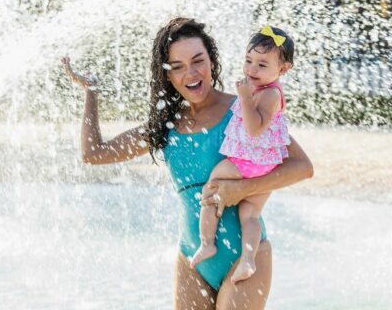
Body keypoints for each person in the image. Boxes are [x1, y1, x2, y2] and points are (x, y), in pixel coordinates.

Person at [62, 17, 313, 310]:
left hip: (246, 257)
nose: (190, 74)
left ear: (212, 61)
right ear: (167, 74)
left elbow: (302, 167)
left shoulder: (243, 109)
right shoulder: (163, 126)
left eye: (198, 61)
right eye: (177, 67)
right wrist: (91, 91)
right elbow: (94, 153)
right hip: (192, 256)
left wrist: (243, 189)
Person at [189, 26, 294, 285]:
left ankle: (207, 243)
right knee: (249, 215)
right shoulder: (266, 90)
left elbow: (255, 128)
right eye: (248, 61)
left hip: (248, 163)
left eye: (261, 64)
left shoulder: (269, 94)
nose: (252, 70)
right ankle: (248, 260)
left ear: (283, 69)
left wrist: (245, 98)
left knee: (211, 187)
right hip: (266, 166)